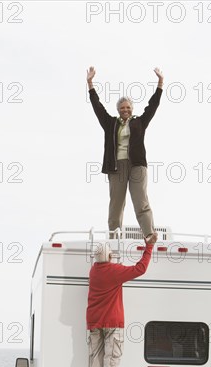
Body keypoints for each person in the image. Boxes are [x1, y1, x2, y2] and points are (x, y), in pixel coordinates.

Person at [86, 66, 164, 244]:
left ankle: (149, 234)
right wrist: (90, 84)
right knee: (116, 204)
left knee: (141, 201)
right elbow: (97, 107)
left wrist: (160, 83)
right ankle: (114, 237)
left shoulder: (140, 122)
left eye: (128, 107)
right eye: (122, 108)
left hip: (137, 165)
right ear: (118, 109)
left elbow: (153, 106)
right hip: (116, 166)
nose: (125, 110)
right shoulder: (110, 123)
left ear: (132, 108)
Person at [86, 239, 155, 367]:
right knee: (111, 357)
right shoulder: (114, 271)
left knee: (95, 357)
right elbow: (141, 268)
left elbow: (106, 266)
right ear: (110, 256)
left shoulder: (93, 271)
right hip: (112, 322)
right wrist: (149, 247)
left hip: (94, 320)